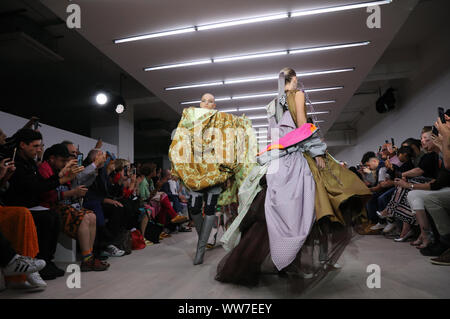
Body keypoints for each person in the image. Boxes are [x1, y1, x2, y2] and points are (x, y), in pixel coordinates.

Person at [216, 68, 371, 286]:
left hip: (278, 161)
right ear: (294, 79)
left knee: (275, 212)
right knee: (308, 208)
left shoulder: (272, 104)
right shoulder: (297, 95)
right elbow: (302, 125)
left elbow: (276, 135)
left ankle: (279, 263)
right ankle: (298, 263)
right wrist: (316, 151)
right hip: (297, 157)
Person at [3, 129, 79, 280]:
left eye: (40, 146)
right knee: (48, 218)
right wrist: (61, 179)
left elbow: (39, 185)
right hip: (17, 206)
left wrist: (61, 177)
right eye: (36, 146)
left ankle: (46, 262)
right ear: (23, 145)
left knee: (53, 217)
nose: (39, 149)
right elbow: (35, 187)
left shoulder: (30, 163)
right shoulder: (14, 162)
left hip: (32, 205)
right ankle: (39, 263)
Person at [38, 144, 108, 271]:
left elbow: (79, 181)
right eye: (70, 154)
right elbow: (48, 194)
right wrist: (72, 192)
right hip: (54, 206)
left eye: (75, 154)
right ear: (53, 158)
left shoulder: (65, 168)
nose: (74, 157)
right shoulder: (46, 168)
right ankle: (87, 258)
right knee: (85, 217)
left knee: (92, 215)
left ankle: (89, 257)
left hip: (68, 204)